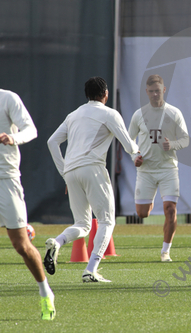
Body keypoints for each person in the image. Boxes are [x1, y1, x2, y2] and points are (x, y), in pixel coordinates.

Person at [46, 77, 140, 282]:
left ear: (87, 95)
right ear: (105, 94)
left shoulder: (73, 115)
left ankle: (58, 242)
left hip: (71, 171)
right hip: (93, 169)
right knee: (106, 220)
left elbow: (52, 142)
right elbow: (129, 146)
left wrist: (64, 172)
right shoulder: (109, 113)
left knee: (82, 224)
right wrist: (139, 152)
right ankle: (91, 269)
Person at [0, 89, 55, 320]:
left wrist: (14, 138)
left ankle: (45, 292)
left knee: (21, 245)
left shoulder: (8, 98)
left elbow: (31, 129)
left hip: (6, 179)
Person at [129, 74, 189, 262]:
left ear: (164, 90)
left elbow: (185, 139)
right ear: (147, 92)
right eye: (151, 91)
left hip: (168, 169)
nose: (155, 94)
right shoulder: (139, 114)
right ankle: (151, 198)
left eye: (158, 90)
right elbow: (129, 140)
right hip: (146, 170)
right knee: (142, 213)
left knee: (170, 209)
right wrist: (134, 157)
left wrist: (172, 145)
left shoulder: (174, 113)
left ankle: (165, 252)